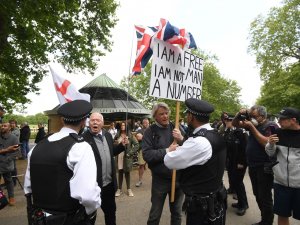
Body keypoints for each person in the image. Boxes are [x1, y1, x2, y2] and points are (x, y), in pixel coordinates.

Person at [24, 100, 101, 225]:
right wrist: (89, 213)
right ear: (83, 122)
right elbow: (88, 195)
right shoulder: (81, 147)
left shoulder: (37, 147)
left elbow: (28, 187)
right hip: (70, 218)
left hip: (38, 218)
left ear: (62, 120)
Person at [164, 98, 227, 225]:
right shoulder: (215, 134)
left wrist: (170, 150)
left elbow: (169, 161)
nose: (186, 116)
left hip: (202, 206)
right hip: (215, 198)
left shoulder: (199, 142)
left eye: (187, 114)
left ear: (191, 116)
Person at [232, 105, 278, 225]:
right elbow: (235, 124)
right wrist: (238, 114)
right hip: (253, 166)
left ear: (263, 116)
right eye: (250, 116)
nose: (251, 119)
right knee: (257, 194)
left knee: (265, 197)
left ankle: (267, 222)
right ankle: (264, 219)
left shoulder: (271, 126)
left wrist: (252, 127)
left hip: (265, 167)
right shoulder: (255, 124)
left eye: (254, 116)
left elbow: (267, 143)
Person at [142, 102, 184, 225]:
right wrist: (167, 151)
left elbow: (189, 147)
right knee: (155, 215)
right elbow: (147, 155)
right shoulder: (150, 132)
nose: (165, 116)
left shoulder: (175, 127)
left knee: (177, 214)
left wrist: (181, 138)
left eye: (166, 113)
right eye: (161, 114)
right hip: (160, 180)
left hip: (177, 178)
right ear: (155, 116)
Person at [82, 112, 127, 225]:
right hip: (92, 186)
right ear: (89, 123)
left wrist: (122, 146)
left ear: (102, 123)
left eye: (98, 120)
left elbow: (112, 151)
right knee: (89, 217)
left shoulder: (107, 135)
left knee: (111, 213)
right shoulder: (83, 139)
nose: (95, 122)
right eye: (92, 120)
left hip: (108, 185)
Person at [265, 107, 300, 225]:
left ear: (293, 120)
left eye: (282, 119)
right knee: (282, 214)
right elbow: (270, 153)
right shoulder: (278, 132)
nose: (279, 121)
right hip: (281, 183)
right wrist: (270, 144)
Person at [223, 114, 249, 216]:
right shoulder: (230, 131)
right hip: (232, 161)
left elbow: (245, 149)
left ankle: (244, 205)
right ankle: (240, 203)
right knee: (234, 181)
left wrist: (241, 163)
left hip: (239, 162)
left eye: (229, 120)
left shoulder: (241, 132)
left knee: (238, 182)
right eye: (226, 120)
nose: (227, 122)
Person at [114, 121, 139, 197]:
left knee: (127, 172)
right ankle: (119, 189)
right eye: (121, 125)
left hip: (127, 156)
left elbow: (137, 145)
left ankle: (129, 189)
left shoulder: (130, 135)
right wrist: (117, 142)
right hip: (119, 155)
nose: (122, 126)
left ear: (126, 126)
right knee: (120, 172)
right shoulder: (117, 135)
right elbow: (113, 144)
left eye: (124, 125)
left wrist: (130, 152)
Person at [0, 121, 19, 206]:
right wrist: (7, 150)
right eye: (2, 126)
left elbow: (17, 152)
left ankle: (11, 197)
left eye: (5, 126)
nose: (3, 127)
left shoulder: (14, 138)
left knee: (8, 180)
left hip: (7, 164)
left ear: (9, 128)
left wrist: (8, 159)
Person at [135, 118, 150, 187]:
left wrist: (143, 137)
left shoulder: (151, 130)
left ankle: (156, 181)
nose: (146, 124)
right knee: (141, 165)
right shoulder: (140, 130)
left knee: (154, 165)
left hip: (151, 150)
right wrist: (149, 137)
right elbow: (139, 137)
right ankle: (140, 180)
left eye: (147, 123)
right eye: (145, 123)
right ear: (142, 123)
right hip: (142, 150)